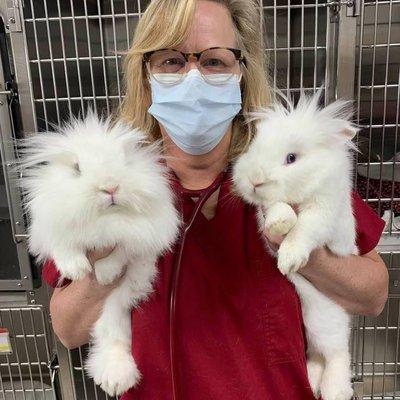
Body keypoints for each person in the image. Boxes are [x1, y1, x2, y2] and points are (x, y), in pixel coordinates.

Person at [42, 1, 389, 399]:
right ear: (146, 75)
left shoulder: (286, 169)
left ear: (242, 71)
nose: (193, 77)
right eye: (171, 61)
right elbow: (68, 330)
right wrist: (107, 261)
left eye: (214, 62)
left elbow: (374, 294)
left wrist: (306, 250)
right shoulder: (111, 184)